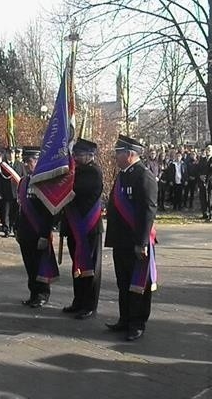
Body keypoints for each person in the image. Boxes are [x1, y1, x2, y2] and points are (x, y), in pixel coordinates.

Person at [105, 135, 158, 341]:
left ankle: (137, 323)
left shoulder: (144, 176)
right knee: (123, 282)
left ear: (129, 154)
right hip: (121, 241)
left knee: (138, 285)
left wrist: (142, 242)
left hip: (136, 242)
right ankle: (125, 319)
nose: (115, 157)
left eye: (118, 153)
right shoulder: (122, 176)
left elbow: (148, 211)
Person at [60, 139, 103, 319]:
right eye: (74, 155)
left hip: (88, 226)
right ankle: (78, 300)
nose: (75, 158)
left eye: (78, 155)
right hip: (73, 226)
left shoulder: (93, 172)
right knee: (77, 266)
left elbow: (80, 191)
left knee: (90, 268)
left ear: (89, 156)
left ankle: (89, 305)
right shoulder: (73, 171)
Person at [15, 147, 58, 307]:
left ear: (38, 161)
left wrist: (45, 234)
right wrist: (17, 228)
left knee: (40, 264)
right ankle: (33, 293)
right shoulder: (23, 181)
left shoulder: (45, 182)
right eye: (24, 161)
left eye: (30, 161)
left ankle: (42, 294)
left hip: (38, 231)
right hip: (25, 231)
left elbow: (49, 212)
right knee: (30, 265)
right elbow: (19, 207)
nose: (26, 164)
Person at [198, 144, 212, 222]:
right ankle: (204, 213)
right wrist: (200, 176)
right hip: (202, 182)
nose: (208, 151)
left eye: (209, 150)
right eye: (207, 149)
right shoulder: (202, 160)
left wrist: (206, 177)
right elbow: (199, 169)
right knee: (203, 198)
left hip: (211, 182)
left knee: (211, 199)